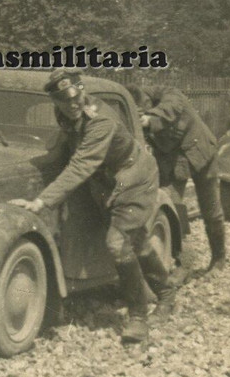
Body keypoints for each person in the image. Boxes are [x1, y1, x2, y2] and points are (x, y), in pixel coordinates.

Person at [10, 69, 177, 345]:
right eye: (64, 100)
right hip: (106, 181)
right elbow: (66, 145)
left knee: (117, 242)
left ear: (82, 91)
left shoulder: (100, 120)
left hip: (133, 178)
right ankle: (167, 292)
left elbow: (81, 165)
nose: (72, 104)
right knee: (136, 240)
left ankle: (138, 317)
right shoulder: (65, 113)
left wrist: (42, 201)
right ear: (56, 101)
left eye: (76, 97)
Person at [127, 84, 227, 273]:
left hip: (202, 153)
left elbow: (169, 110)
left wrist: (148, 119)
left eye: (143, 108)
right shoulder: (140, 110)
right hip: (174, 160)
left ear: (148, 99)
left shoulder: (171, 94)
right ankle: (182, 260)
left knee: (211, 210)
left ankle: (219, 257)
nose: (143, 112)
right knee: (172, 204)